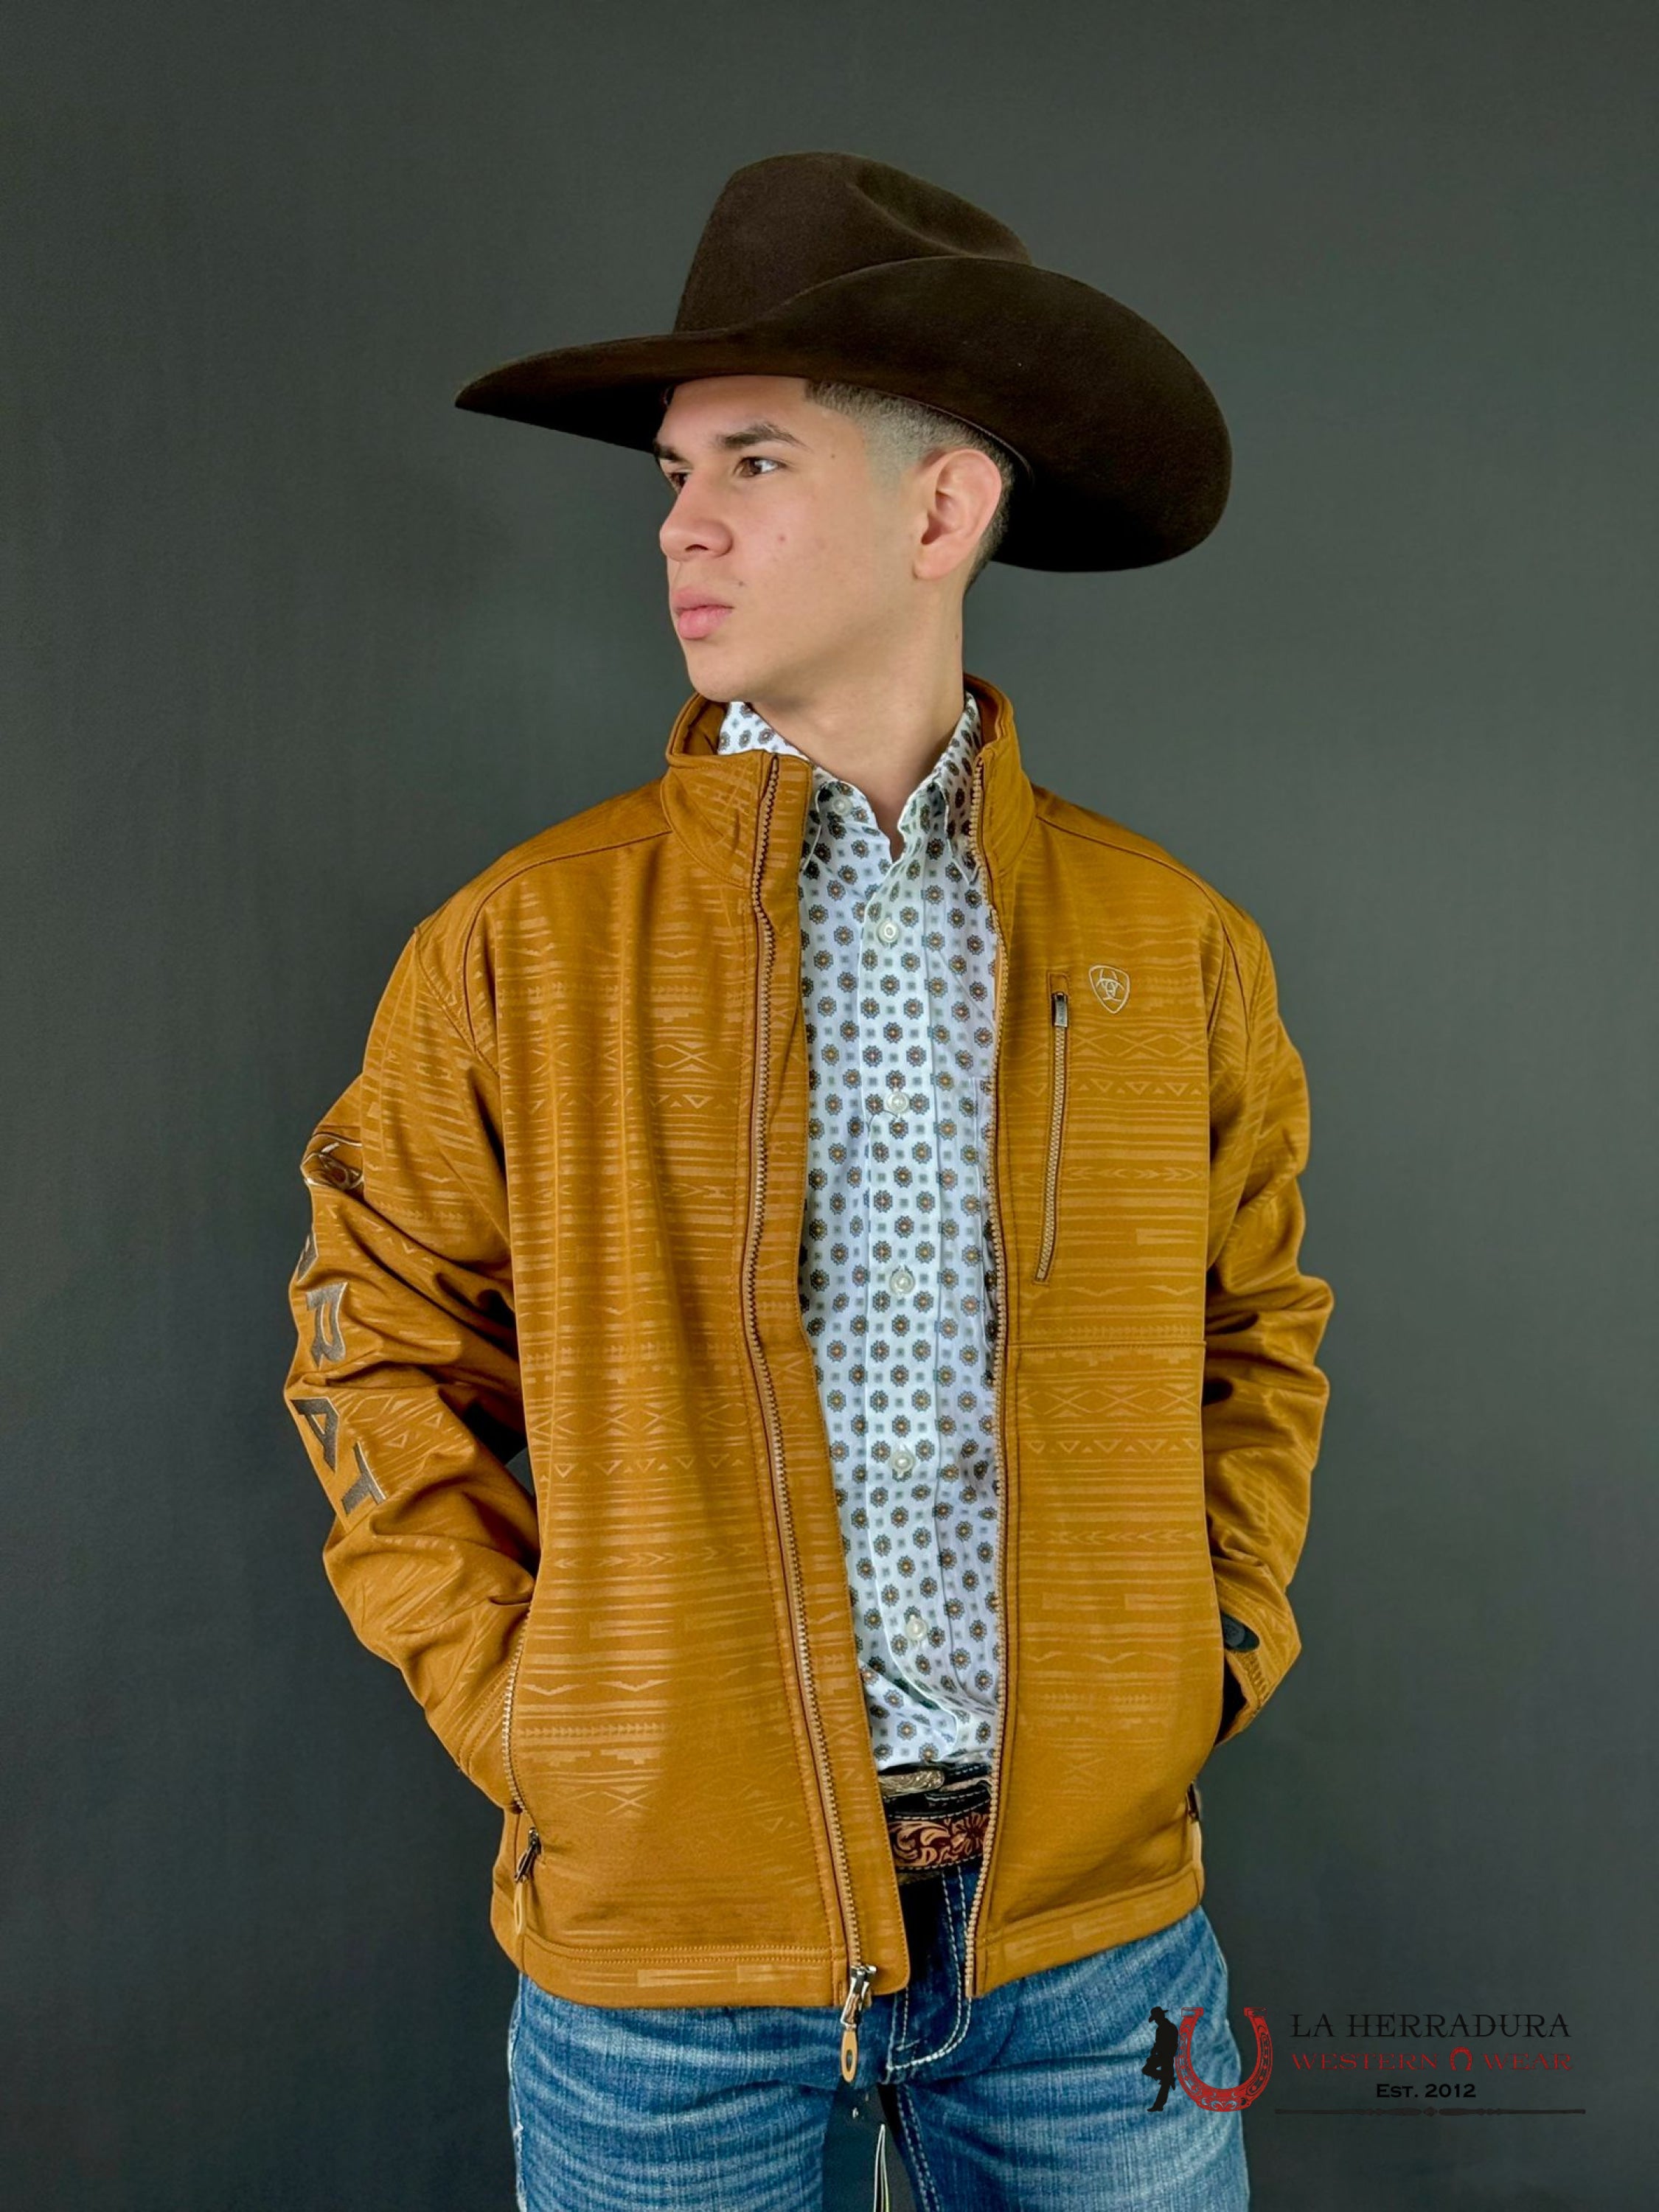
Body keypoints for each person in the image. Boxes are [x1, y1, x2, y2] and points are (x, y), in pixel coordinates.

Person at [283, 150, 1334, 2211]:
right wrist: (552, 1732)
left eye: (753, 462)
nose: (682, 521)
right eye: (675, 472)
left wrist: (1191, 1667)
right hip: (667, 1959)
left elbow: (1256, 1338)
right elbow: (371, 1340)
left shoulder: (1171, 950)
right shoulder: (520, 947)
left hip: (1090, 1945)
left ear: (943, 511)